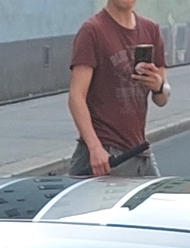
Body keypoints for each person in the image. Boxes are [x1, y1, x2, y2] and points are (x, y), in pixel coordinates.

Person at [68, 0, 170, 178]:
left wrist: (159, 86)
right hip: (105, 155)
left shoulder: (151, 30)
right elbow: (76, 96)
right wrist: (95, 148)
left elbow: (162, 99)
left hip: (139, 153)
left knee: (158, 202)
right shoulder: (92, 30)